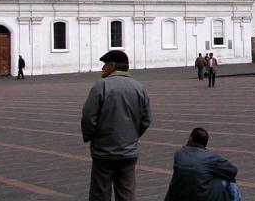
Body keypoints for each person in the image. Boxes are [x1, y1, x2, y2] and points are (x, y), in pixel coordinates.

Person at [81, 50, 152, 201]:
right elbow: (146, 119)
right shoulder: (139, 88)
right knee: (126, 194)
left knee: (100, 193)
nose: (102, 68)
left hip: (104, 151)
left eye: (105, 65)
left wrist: (93, 137)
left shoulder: (101, 86)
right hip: (128, 151)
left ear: (112, 65)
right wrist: (132, 135)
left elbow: (88, 117)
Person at [164, 127, 240, 201]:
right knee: (230, 183)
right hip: (202, 197)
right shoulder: (210, 157)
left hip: (178, 196)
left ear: (190, 138)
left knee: (178, 180)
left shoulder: (179, 154)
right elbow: (232, 171)